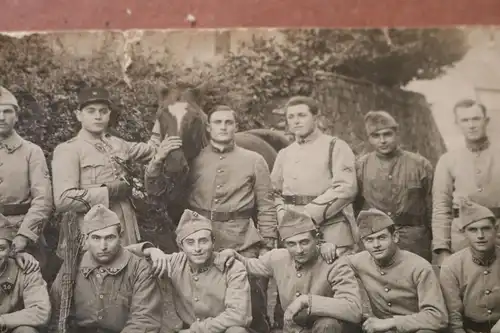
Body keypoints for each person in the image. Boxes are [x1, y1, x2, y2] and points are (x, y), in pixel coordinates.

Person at [146, 104, 277, 333]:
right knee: (201, 305)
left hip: (241, 241)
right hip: (200, 243)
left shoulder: (254, 160)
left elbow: (266, 206)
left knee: (253, 310)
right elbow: (160, 193)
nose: (223, 127)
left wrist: (267, 245)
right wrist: (157, 161)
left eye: (228, 122)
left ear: (236, 126)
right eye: (218, 122)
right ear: (208, 127)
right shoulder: (193, 159)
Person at [217, 207, 362, 333]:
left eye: (304, 242)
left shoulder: (333, 262)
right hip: (294, 329)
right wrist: (233, 254)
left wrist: (307, 301)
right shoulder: (278, 258)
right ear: (284, 244)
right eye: (291, 244)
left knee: (327, 324)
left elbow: (354, 309)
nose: (299, 250)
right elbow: (250, 265)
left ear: (317, 239)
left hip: (329, 330)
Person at [51, 87, 162, 249]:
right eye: (91, 111)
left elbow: (153, 150)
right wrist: (108, 192)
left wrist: (163, 117)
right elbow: (63, 200)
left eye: (103, 111)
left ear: (109, 114)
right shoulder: (68, 150)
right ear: (78, 115)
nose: (98, 116)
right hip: (91, 234)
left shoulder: (117, 144)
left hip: (125, 230)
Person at [128, 209, 254, 333]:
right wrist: (149, 250)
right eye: (190, 242)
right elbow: (122, 254)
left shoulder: (231, 267)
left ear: (213, 242)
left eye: (203, 241)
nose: (197, 248)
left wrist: (195, 330)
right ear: (181, 247)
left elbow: (239, 315)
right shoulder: (175, 263)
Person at [50, 204, 162, 333]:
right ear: (86, 240)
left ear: (120, 237)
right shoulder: (72, 266)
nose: (103, 246)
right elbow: (56, 312)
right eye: (96, 238)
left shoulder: (139, 268)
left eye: (110, 238)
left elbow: (144, 321)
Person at [271, 96, 359, 256]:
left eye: (302, 115)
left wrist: (309, 215)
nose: (296, 121)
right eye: (291, 117)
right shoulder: (285, 153)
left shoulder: (335, 146)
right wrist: (283, 216)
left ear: (315, 118)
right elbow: (275, 192)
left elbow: (346, 188)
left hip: (330, 232)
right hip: (294, 234)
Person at [346, 208, 448, 333]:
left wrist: (391, 322)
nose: (376, 245)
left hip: (416, 329)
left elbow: (437, 317)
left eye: (382, 237)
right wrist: (327, 247)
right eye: (369, 240)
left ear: (395, 236)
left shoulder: (419, 267)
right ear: (363, 242)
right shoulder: (359, 261)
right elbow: (336, 265)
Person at [354, 111, 433, 261]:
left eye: (387, 134)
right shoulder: (360, 167)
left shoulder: (420, 164)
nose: (382, 140)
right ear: (369, 138)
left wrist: (436, 244)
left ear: (396, 133)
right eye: (376, 136)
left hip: (413, 240)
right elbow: (355, 207)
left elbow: (432, 206)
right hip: (376, 239)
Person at [433, 99, 500, 266]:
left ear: (486, 121)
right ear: (457, 124)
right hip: (461, 237)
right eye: (465, 120)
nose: (471, 125)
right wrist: (443, 249)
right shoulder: (448, 160)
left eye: (476, 119)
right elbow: (441, 207)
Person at [0, 86, 53, 274]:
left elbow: (43, 200)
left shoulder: (32, 152)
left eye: (7, 111)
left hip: (21, 232)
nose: (1, 117)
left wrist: (25, 235)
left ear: (16, 115)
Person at [440, 199, 500, 333]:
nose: (480, 236)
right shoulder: (451, 266)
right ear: (464, 232)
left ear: (495, 230)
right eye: (473, 230)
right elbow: (453, 316)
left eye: (485, 228)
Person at [0, 221, 51, 333]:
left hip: (9, 327)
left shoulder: (26, 269)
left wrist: (2, 320)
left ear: (11, 249)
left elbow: (40, 311)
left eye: (1, 249)